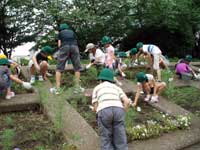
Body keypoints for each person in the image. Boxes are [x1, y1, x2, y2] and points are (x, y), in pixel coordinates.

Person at [91, 68, 130, 150]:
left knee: (105, 137)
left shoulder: (97, 88)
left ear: (100, 79)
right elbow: (126, 101)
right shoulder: (116, 87)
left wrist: (95, 110)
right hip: (118, 109)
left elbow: (95, 108)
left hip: (104, 110)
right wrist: (123, 112)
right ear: (112, 80)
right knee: (120, 135)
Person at [53, 23, 83, 94]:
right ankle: (77, 88)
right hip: (74, 47)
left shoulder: (60, 33)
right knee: (77, 68)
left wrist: (61, 51)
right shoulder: (72, 32)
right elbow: (75, 41)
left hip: (64, 46)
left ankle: (57, 89)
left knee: (59, 69)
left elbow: (59, 44)